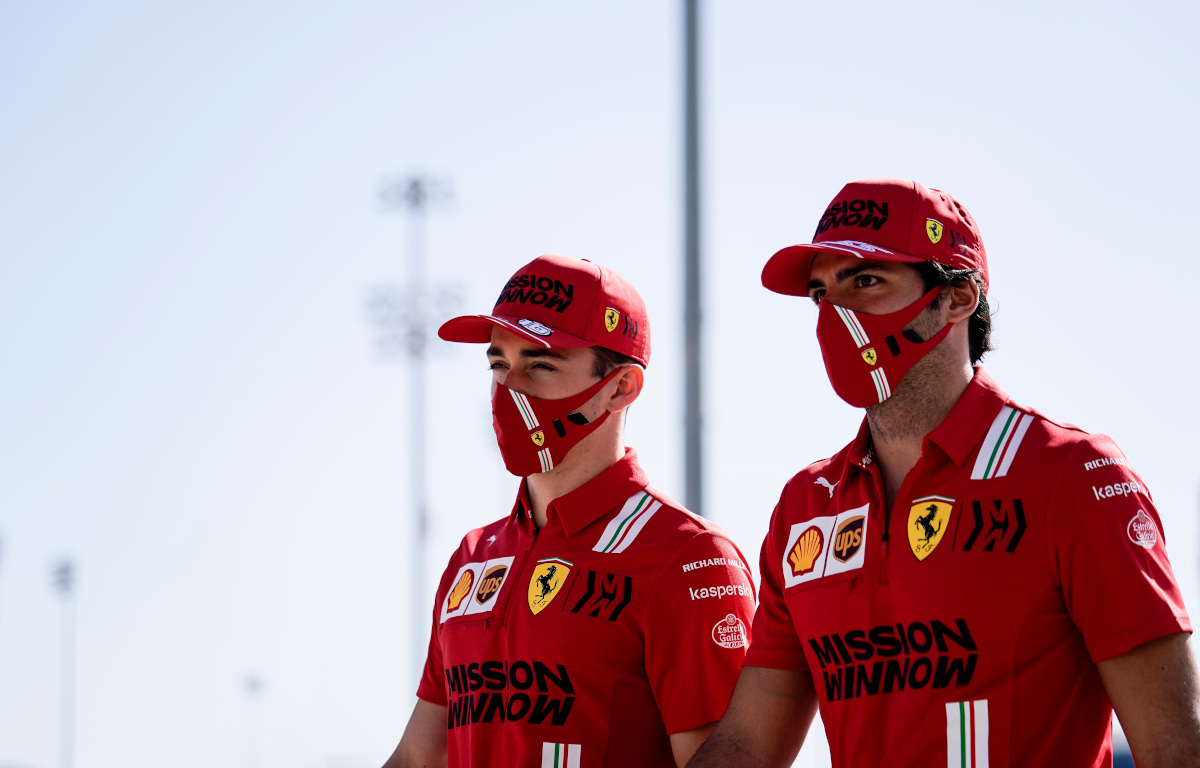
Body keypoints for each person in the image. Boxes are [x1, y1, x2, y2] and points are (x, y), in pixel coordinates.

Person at [688, 179, 1200, 767]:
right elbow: (748, 747)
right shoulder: (808, 503)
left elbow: (1174, 748)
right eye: (821, 293)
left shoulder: (1073, 475)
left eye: (866, 281)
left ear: (956, 298)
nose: (837, 314)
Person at [381, 254, 756, 768]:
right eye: (498, 364)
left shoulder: (690, 555)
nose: (509, 388)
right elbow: (420, 759)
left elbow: (729, 759)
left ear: (621, 387)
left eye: (540, 364)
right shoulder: (473, 556)